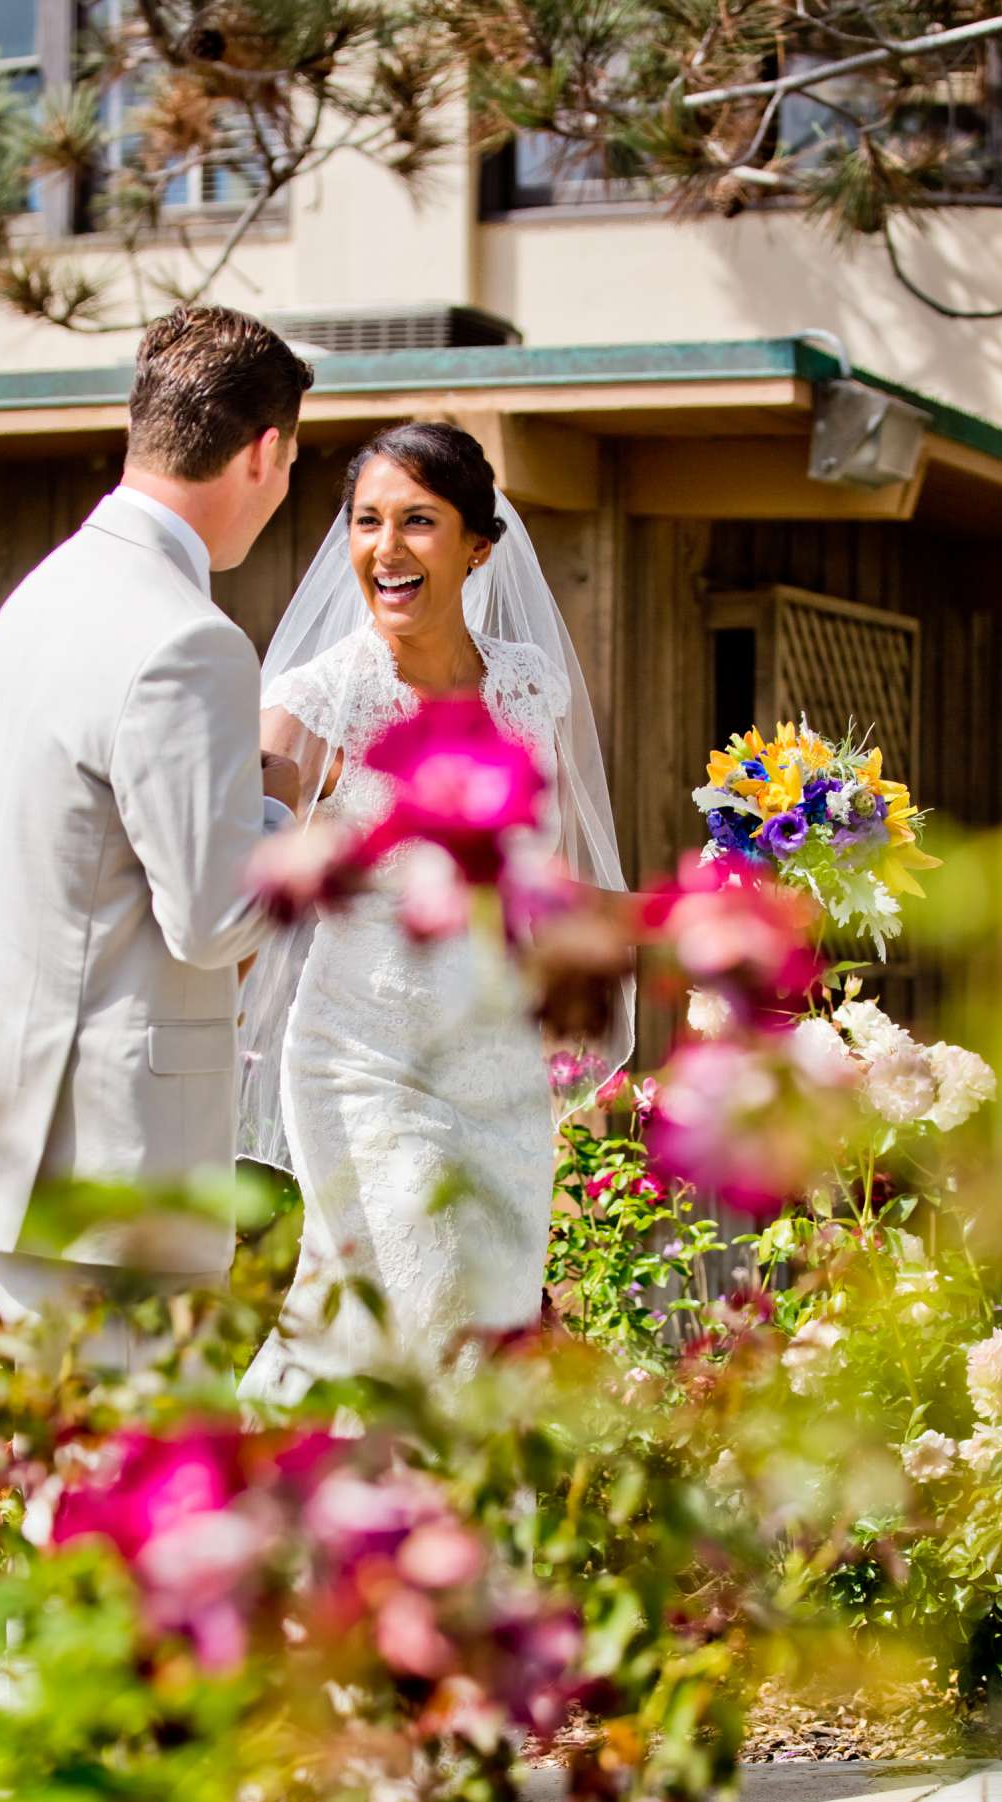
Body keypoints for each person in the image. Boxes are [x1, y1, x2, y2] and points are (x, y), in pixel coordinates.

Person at [0, 304, 313, 1367]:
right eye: (286, 473)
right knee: (135, 1507)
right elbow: (216, 919)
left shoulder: (38, 598)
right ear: (263, 453)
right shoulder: (187, 638)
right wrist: (282, 803)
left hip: (20, 1139)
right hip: (117, 1163)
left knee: (70, 1491)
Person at [238, 421, 633, 1402]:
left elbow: (555, 886)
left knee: (482, 1324)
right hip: (361, 1063)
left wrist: (707, 900)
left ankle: (445, 1542)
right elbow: (239, 884)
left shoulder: (531, 691)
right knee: (422, 1300)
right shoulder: (315, 700)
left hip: (498, 1070)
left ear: (479, 545)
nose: (387, 546)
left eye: (419, 520)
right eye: (367, 521)